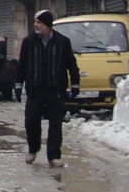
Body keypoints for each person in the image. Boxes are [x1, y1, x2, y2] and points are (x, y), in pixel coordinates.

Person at [14, 9, 80, 168]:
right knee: (31, 121)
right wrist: (18, 84)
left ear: (48, 25)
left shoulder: (62, 42)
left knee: (56, 124)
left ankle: (54, 156)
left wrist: (75, 83)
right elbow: (22, 65)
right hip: (35, 90)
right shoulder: (29, 42)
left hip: (55, 90)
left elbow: (71, 64)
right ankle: (33, 149)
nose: (35, 25)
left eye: (39, 22)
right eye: (35, 22)